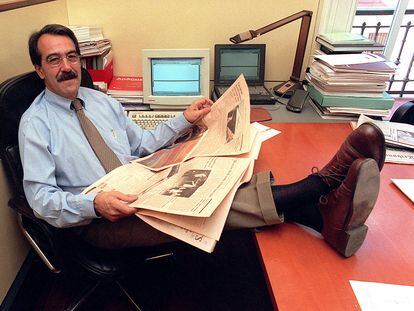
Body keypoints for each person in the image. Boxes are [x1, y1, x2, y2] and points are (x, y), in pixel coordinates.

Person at [19, 24, 386, 258]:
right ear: (40, 69)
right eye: (54, 60)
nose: (66, 66)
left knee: (222, 174)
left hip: (142, 186)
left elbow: (143, 143)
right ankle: (320, 186)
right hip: (102, 223)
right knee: (210, 207)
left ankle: (322, 215)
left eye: (72, 56)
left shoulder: (99, 100)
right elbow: (41, 202)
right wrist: (96, 204)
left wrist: (185, 120)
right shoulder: (35, 124)